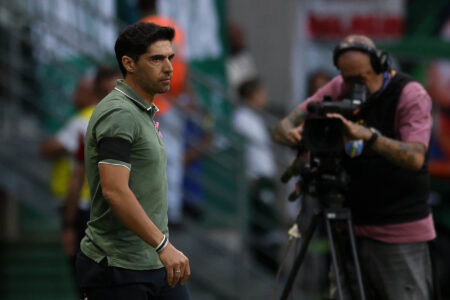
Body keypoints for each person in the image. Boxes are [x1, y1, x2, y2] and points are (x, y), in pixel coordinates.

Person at [274, 35, 437, 300]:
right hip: (350, 227)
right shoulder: (341, 85)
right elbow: (284, 126)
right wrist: (293, 136)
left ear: (380, 65)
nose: (353, 87)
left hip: (398, 233)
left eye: (361, 79)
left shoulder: (410, 94)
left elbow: (416, 157)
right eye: (347, 78)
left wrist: (367, 136)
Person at [75, 22, 190, 299]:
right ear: (129, 63)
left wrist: (160, 249)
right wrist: (163, 245)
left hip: (152, 263)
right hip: (119, 268)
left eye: (170, 58)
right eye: (156, 59)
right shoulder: (120, 113)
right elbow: (115, 190)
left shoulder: (141, 110)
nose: (169, 68)